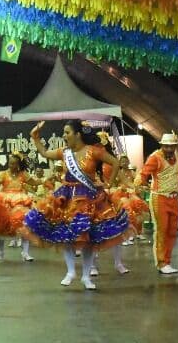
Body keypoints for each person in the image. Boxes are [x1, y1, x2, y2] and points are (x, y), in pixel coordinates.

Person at [18, 120, 129, 290]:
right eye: (64, 132)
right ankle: (71, 272)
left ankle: (85, 276)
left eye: (67, 132)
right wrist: (35, 137)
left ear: (78, 134)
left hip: (89, 198)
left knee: (88, 239)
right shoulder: (64, 152)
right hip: (67, 198)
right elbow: (45, 153)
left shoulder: (93, 151)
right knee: (67, 237)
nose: (64, 135)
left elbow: (115, 163)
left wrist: (108, 184)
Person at [138, 131, 178, 275]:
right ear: (162, 146)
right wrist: (138, 186)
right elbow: (143, 174)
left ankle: (167, 261)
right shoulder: (155, 158)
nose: (169, 149)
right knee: (162, 231)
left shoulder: (177, 155)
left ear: (175, 146)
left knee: (172, 231)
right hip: (159, 198)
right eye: (166, 146)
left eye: (171, 146)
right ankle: (161, 263)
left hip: (174, 198)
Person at [0, 152, 36, 261]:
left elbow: (34, 183)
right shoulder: (3, 174)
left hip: (20, 202)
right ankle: (0, 252)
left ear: (18, 164)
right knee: (2, 228)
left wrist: (45, 181)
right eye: (10, 163)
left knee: (25, 226)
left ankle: (25, 253)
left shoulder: (23, 174)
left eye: (13, 164)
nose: (11, 166)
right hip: (6, 202)